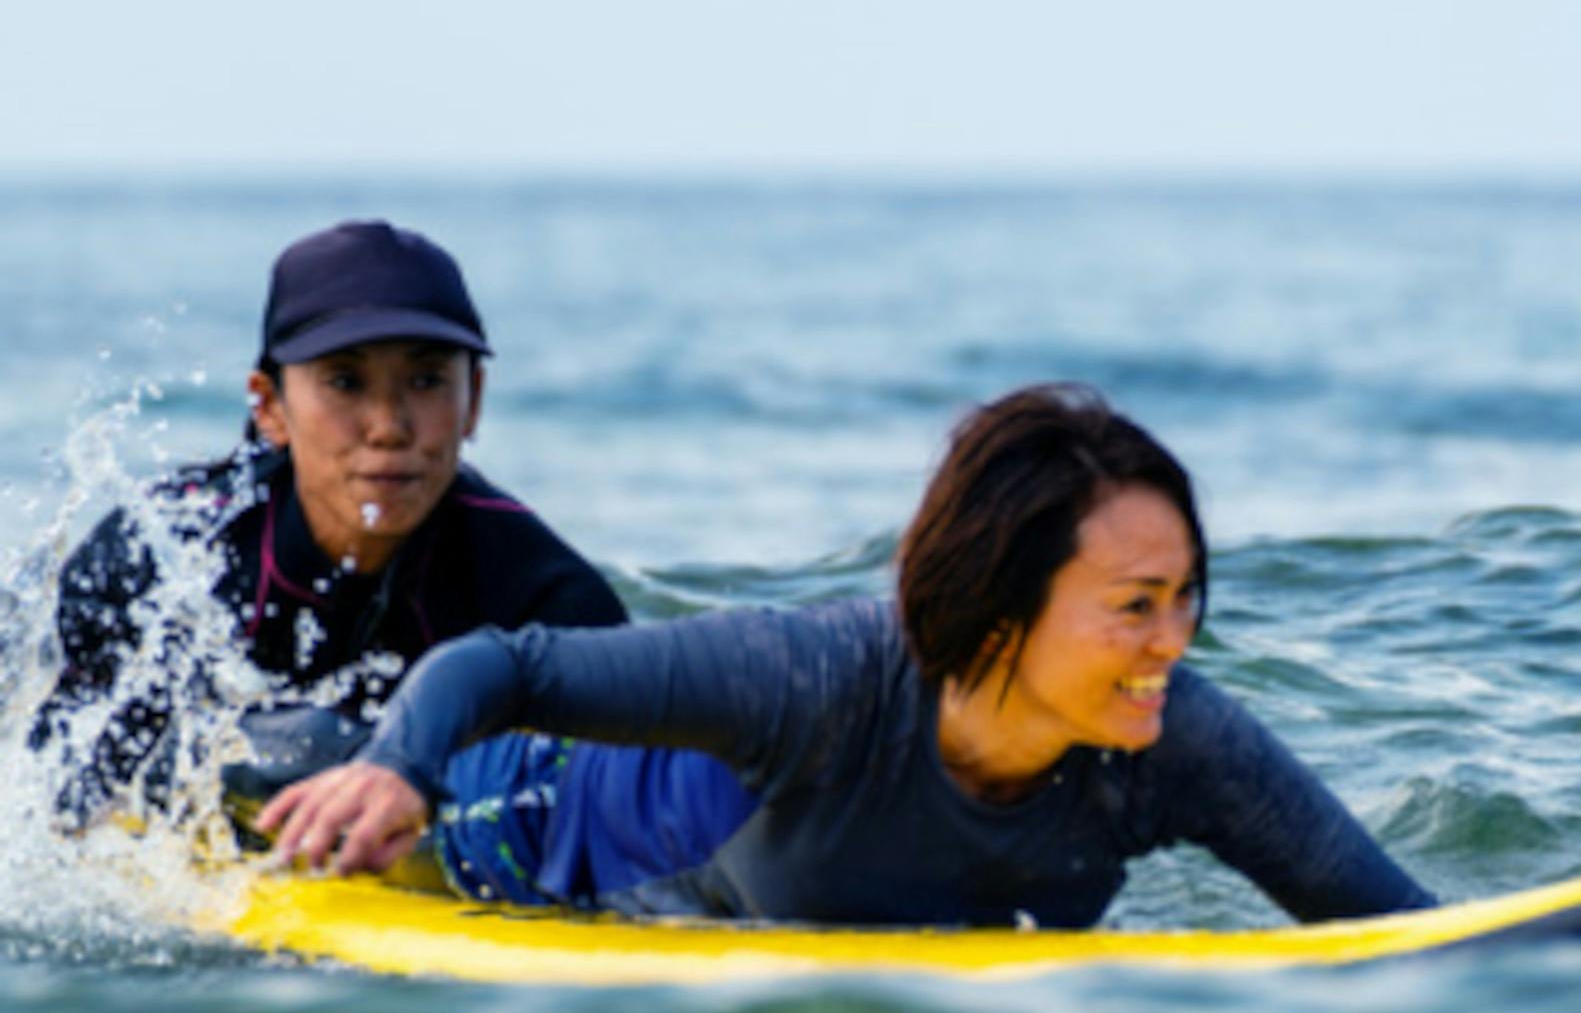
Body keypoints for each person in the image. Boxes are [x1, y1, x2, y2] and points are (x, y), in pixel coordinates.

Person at [258, 385, 1434, 931]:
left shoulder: (1175, 741)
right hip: (520, 824)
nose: (1172, 641)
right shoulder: (817, 680)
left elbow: (1392, 930)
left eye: (1185, 598)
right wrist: (401, 771)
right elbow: (502, 661)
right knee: (288, 768)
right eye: (1133, 605)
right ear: (1000, 606)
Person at [35, 219, 626, 819]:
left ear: (472, 400)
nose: (389, 426)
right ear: (269, 407)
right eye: (346, 381)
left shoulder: (545, 596)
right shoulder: (163, 554)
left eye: (426, 381)